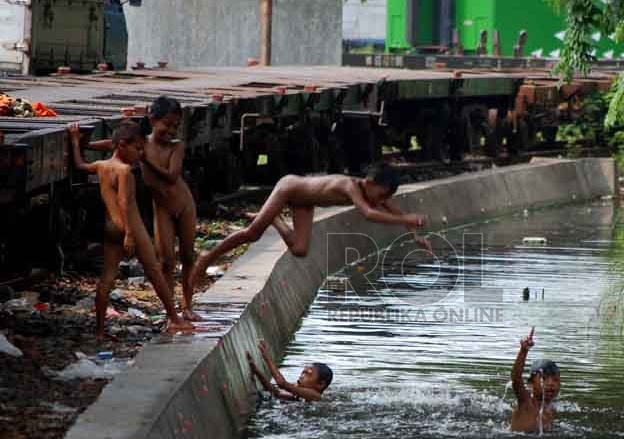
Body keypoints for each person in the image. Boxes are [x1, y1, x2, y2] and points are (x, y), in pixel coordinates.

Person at [189, 164, 431, 289]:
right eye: (380, 194)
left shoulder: (374, 193)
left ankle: (275, 218)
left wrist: (415, 235)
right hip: (289, 189)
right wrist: (406, 220)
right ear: (369, 182)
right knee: (252, 234)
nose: (380, 200)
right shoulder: (350, 186)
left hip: (305, 203)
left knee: (300, 250)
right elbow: (369, 214)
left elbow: (397, 211)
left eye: (384, 197)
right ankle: (205, 259)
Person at [68, 121, 194, 339]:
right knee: (154, 271)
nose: (141, 154)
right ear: (122, 146)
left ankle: (99, 331)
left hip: (110, 227)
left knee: (107, 278)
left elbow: (79, 165)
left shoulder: (101, 165)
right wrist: (129, 234)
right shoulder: (125, 171)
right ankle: (175, 318)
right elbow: (125, 203)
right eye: (137, 149)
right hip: (131, 228)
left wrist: (74, 142)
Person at [85, 96, 202, 321]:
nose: (171, 130)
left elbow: (171, 176)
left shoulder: (176, 147)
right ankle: (172, 312)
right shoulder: (141, 144)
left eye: (176, 126)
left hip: (184, 205)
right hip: (162, 208)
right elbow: (115, 143)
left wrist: (146, 160)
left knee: (187, 256)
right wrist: (88, 145)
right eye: (167, 124)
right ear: (152, 119)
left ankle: (187, 305)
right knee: (166, 260)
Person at [247, 340, 333, 402]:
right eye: (303, 372)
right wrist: (256, 371)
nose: (302, 376)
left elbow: (282, 384)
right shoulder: (300, 390)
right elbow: (275, 392)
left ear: (320, 384)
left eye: (308, 374)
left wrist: (267, 357)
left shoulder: (314, 395)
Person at [510, 327, 561, 433]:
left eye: (555, 379)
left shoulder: (550, 409)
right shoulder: (526, 403)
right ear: (530, 384)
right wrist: (523, 351)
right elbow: (516, 379)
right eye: (544, 379)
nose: (551, 384)